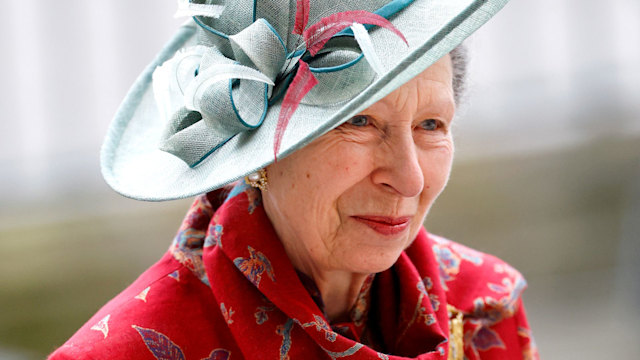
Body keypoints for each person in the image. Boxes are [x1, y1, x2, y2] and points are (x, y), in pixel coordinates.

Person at [50, 0, 539, 359]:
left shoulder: (480, 309)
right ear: (263, 152)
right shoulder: (129, 351)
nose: (409, 179)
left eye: (431, 125)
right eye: (359, 122)